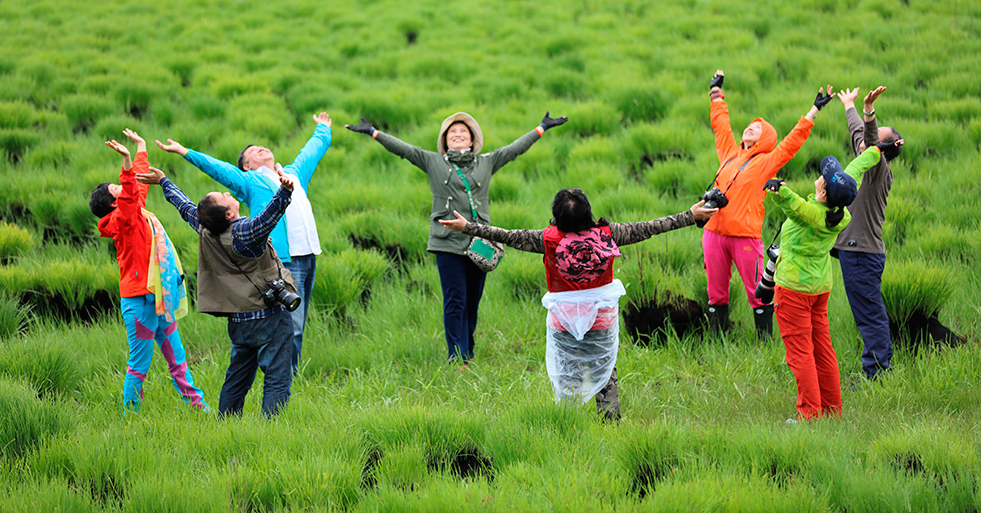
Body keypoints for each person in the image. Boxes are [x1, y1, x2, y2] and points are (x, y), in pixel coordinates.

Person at [440, 189, 717, 419]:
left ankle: (568, 422)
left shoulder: (546, 239)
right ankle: (611, 423)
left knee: (568, 374)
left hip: (564, 322)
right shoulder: (609, 234)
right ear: (588, 214)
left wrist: (467, 227)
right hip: (601, 320)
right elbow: (651, 227)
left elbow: (508, 235)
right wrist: (689, 216)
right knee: (605, 372)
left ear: (557, 218)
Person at [346, 111, 568, 367]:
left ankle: (469, 351)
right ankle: (456, 358)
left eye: (464, 132)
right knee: (455, 300)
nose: (458, 135)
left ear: (473, 140)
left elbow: (514, 149)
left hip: (480, 242)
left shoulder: (487, 162)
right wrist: (374, 132)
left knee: (472, 302)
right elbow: (404, 149)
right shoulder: (434, 162)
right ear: (445, 141)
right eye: (453, 133)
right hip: (446, 242)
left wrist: (541, 127)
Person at [155, 112, 332, 374]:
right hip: (285, 260)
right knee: (290, 324)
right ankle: (285, 378)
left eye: (260, 146)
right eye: (252, 152)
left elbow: (312, 151)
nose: (259, 148)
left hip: (309, 256)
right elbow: (220, 169)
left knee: (299, 320)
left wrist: (323, 129)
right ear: (247, 166)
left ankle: (287, 375)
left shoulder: (294, 174)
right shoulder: (250, 181)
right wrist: (185, 152)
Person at [136, 165, 297, 418]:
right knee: (277, 377)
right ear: (230, 214)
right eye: (225, 197)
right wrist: (285, 192)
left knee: (237, 377)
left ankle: (227, 422)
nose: (228, 193)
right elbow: (269, 218)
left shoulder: (206, 231)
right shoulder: (243, 233)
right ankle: (271, 429)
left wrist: (165, 182)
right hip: (268, 317)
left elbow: (185, 207)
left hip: (239, 321)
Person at [704, 70, 834, 337]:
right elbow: (721, 125)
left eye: (758, 128)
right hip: (713, 233)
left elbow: (790, 144)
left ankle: (764, 342)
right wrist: (716, 94)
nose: (751, 127)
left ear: (765, 139)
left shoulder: (766, 163)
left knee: (758, 291)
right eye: (750, 125)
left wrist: (812, 112)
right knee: (716, 292)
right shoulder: (729, 152)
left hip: (745, 237)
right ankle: (718, 340)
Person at [88, 128, 208, 414]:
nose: (123, 185)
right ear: (113, 203)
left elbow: (136, 187)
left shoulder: (133, 209)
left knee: (177, 358)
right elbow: (131, 194)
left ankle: (198, 407)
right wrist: (127, 160)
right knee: (139, 364)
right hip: (140, 303)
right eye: (117, 188)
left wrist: (140, 149)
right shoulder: (123, 219)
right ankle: (131, 415)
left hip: (159, 297)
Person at [762, 143, 882, 420]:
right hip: (819, 290)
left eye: (825, 178)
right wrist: (873, 152)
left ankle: (809, 417)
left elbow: (795, 206)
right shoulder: (839, 211)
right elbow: (853, 171)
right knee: (823, 350)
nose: (824, 175)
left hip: (793, 291)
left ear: (824, 191)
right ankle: (831, 411)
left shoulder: (812, 214)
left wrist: (777, 189)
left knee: (801, 354)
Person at [834, 86, 904, 380]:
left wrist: (869, 110)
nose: (864, 144)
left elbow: (870, 140)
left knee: (869, 316)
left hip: (862, 253)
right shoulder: (863, 163)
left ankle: (876, 374)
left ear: (887, 150)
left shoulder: (878, 170)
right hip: (856, 252)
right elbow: (860, 137)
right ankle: (876, 369)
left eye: (873, 141)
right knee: (866, 314)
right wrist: (849, 106)